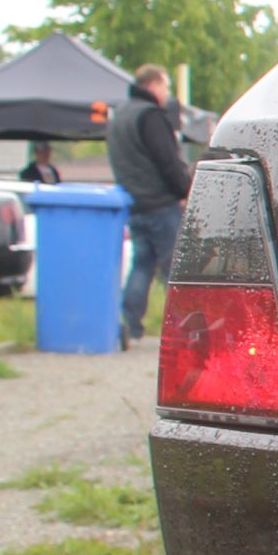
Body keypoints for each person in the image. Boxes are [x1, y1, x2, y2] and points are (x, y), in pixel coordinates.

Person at [103, 64, 192, 347]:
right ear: (153, 85)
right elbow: (167, 159)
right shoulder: (150, 116)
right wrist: (184, 189)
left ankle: (130, 325)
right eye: (165, 86)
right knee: (174, 267)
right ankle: (185, 330)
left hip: (133, 203)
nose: (167, 93)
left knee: (141, 264)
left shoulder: (119, 116)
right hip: (161, 203)